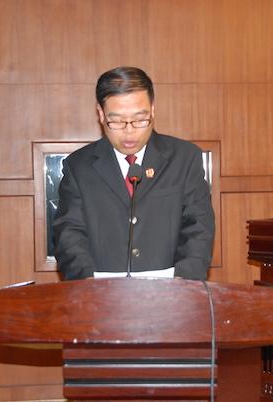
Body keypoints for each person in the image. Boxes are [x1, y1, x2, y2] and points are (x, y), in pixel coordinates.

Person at [53, 66, 214, 280]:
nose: (129, 131)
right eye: (117, 121)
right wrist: (88, 286)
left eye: (139, 119)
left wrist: (183, 286)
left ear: (152, 110)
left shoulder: (184, 159)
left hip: (172, 295)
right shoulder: (79, 167)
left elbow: (199, 230)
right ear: (100, 114)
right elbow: (69, 235)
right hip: (99, 295)